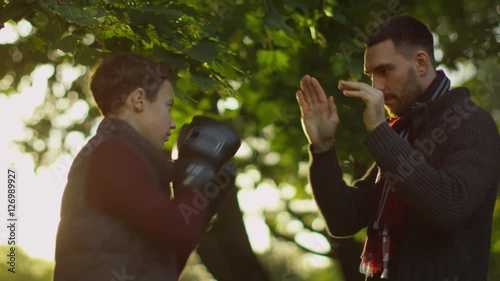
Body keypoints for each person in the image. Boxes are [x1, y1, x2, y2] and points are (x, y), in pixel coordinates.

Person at [296, 15, 500, 281]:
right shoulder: (401, 132)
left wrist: (381, 133)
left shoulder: (473, 124)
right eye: (371, 76)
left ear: (420, 63)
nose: (376, 87)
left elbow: (449, 206)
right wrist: (322, 147)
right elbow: (344, 219)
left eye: (385, 71)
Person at [53, 53, 240, 281]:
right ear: (139, 99)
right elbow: (176, 232)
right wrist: (196, 175)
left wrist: (203, 203)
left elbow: (164, 263)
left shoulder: (129, 158)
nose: (172, 123)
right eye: (167, 106)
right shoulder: (111, 154)